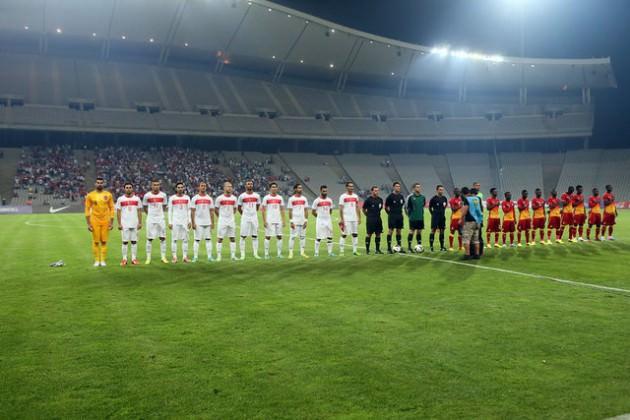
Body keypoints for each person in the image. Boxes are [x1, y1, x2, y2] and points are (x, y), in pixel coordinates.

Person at [85, 177, 114, 267]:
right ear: (95, 184)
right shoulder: (90, 195)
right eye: (98, 182)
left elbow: (112, 208)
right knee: (96, 241)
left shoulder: (108, 195)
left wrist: (111, 222)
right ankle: (97, 260)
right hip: (94, 220)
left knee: (104, 241)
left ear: (103, 184)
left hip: (105, 220)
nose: (99, 184)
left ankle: (103, 260)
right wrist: (88, 224)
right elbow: (87, 209)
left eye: (101, 182)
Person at [115, 182, 142, 266]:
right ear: (124, 189)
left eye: (130, 187)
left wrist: (140, 222)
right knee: (125, 242)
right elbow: (118, 212)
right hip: (124, 224)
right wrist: (119, 223)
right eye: (127, 187)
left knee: (134, 241)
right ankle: (124, 259)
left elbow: (139, 211)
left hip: (134, 223)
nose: (128, 189)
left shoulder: (137, 199)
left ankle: (134, 259)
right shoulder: (120, 199)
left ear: (132, 188)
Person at [143, 179, 169, 264]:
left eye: (157, 185)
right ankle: (148, 258)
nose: (156, 186)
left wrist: (159, 214)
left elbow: (164, 206)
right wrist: (150, 214)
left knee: (163, 238)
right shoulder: (147, 195)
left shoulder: (163, 195)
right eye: (154, 185)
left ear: (159, 185)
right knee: (149, 238)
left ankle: (163, 257)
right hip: (150, 219)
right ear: (151, 186)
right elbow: (145, 207)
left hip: (160, 219)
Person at [190, 181, 214, 262]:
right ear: (198, 187)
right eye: (202, 186)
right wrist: (193, 223)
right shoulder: (195, 198)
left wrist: (212, 223)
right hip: (198, 222)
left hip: (207, 222)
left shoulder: (209, 198)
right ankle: (195, 257)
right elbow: (192, 211)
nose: (203, 187)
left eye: (204, 186)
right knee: (197, 240)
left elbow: (211, 211)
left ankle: (209, 257)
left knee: (208, 239)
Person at [237, 180, 262, 260]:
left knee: (255, 236)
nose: (250, 185)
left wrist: (253, 212)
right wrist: (244, 214)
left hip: (254, 217)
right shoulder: (242, 196)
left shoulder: (257, 196)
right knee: (243, 236)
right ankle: (242, 255)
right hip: (245, 217)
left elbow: (258, 206)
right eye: (248, 184)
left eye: (251, 184)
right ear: (245, 186)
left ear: (253, 185)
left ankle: (255, 254)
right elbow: (239, 207)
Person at [168, 182, 191, 263]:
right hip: (175, 221)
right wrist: (170, 222)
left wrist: (189, 221)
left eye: (181, 187)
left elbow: (189, 210)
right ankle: (174, 257)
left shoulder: (187, 198)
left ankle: (185, 257)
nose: (180, 189)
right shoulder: (172, 198)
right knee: (174, 239)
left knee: (185, 240)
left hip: (184, 221)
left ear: (183, 188)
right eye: (178, 187)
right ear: (176, 188)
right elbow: (170, 210)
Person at [215, 181, 238, 262]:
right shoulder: (219, 198)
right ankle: (219, 256)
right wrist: (221, 217)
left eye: (231, 186)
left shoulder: (234, 198)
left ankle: (233, 256)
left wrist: (230, 216)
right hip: (222, 220)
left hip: (231, 220)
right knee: (220, 238)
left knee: (232, 238)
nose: (230, 188)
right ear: (224, 188)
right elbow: (216, 209)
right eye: (228, 186)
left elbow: (235, 209)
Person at [262, 182, 285, 259]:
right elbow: (263, 210)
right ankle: (266, 254)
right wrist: (264, 221)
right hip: (269, 220)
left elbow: (282, 209)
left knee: (279, 236)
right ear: (270, 188)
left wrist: (283, 220)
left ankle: (279, 254)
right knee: (268, 236)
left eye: (275, 187)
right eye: (272, 187)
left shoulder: (280, 198)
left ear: (277, 188)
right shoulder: (266, 198)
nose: (274, 188)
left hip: (278, 220)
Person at [459, 187, 483, 260]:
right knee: (476, 239)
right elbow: (481, 208)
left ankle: (467, 255)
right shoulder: (478, 199)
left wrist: (461, 218)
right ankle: (477, 254)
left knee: (466, 238)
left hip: (469, 221)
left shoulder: (467, 199)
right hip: (477, 221)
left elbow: (465, 210)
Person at [287, 183, 309, 259]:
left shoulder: (304, 199)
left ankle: (302, 252)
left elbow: (306, 210)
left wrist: (306, 221)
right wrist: (291, 221)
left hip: (302, 221)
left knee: (302, 237)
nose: (301, 189)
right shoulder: (291, 199)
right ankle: (290, 253)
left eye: (301, 188)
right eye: (299, 188)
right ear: (295, 189)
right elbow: (290, 211)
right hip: (295, 221)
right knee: (292, 237)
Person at [339, 181, 361, 256]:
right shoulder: (343, 196)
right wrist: (342, 219)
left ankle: (355, 251)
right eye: (350, 186)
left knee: (355, 234)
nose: (352, 188)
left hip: (354, 218)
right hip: (346, 219)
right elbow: (341, 209)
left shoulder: (355, 196)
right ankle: (341, 251)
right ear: (347, 187)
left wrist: (359, 218)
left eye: (352, 186)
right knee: (344, 234)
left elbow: (357, 207)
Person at [312, 185, 335, 257]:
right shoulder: (317, 201)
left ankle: (330, 252)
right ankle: (316, 253)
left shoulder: (330, 200)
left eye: (326, 191)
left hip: (328, 220)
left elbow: (330, 211)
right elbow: (313, 212)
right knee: (318, 237)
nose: (325, 192)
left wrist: (326, 216)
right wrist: (319, 217)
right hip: (320, 220)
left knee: (330, 236)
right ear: (320, 191)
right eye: (323, 191)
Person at [362, 185, 384, 254]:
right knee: (369, 234)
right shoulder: (368, 200)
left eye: (377, 191)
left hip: (378, 219)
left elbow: (380, 208)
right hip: (370, 220)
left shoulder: (380, 199)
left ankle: (377, 250)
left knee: (378, 234)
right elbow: (363, 209)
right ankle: (367, 250)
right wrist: (368, 215)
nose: (376, 192)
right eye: (375, 191)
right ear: (372, 191)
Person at [385, 181, 405, 253]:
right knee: (391, 231)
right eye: (397, 186)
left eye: (399, 186)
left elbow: (402, 205)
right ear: (393, 187)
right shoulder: (390, 196)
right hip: (392, 216)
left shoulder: (401, 196)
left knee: (399, 231)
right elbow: (386, 207)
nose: (398, 187)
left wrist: (401, 214)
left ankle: (399, 247)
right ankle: (388, 248)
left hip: (399, 216)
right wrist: (390, 214)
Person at [406, 183, 425, 252]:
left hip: (420, 218)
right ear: (414, 188)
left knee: (419, 232)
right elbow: (407, 207)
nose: (418, 188)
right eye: (417, 187)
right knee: (411, 231)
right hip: (413, 218)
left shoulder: (423, 197)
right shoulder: (410, 197)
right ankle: (409, 247)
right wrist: (410, 215)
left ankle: (419, 246)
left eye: (419, 187)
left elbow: (422, 206)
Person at [428, 185, 448, 252]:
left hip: (442, 217)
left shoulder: (444, 198)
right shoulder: (433, 199)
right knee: (433, 230)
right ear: (437, 190)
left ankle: (442, 247)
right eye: (440, 189)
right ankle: (431, 247)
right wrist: (433, 214)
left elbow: (445, 206)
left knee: (442, 231)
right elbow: (430, 207)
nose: (441, 191)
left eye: (442, 190)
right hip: (435, 217)